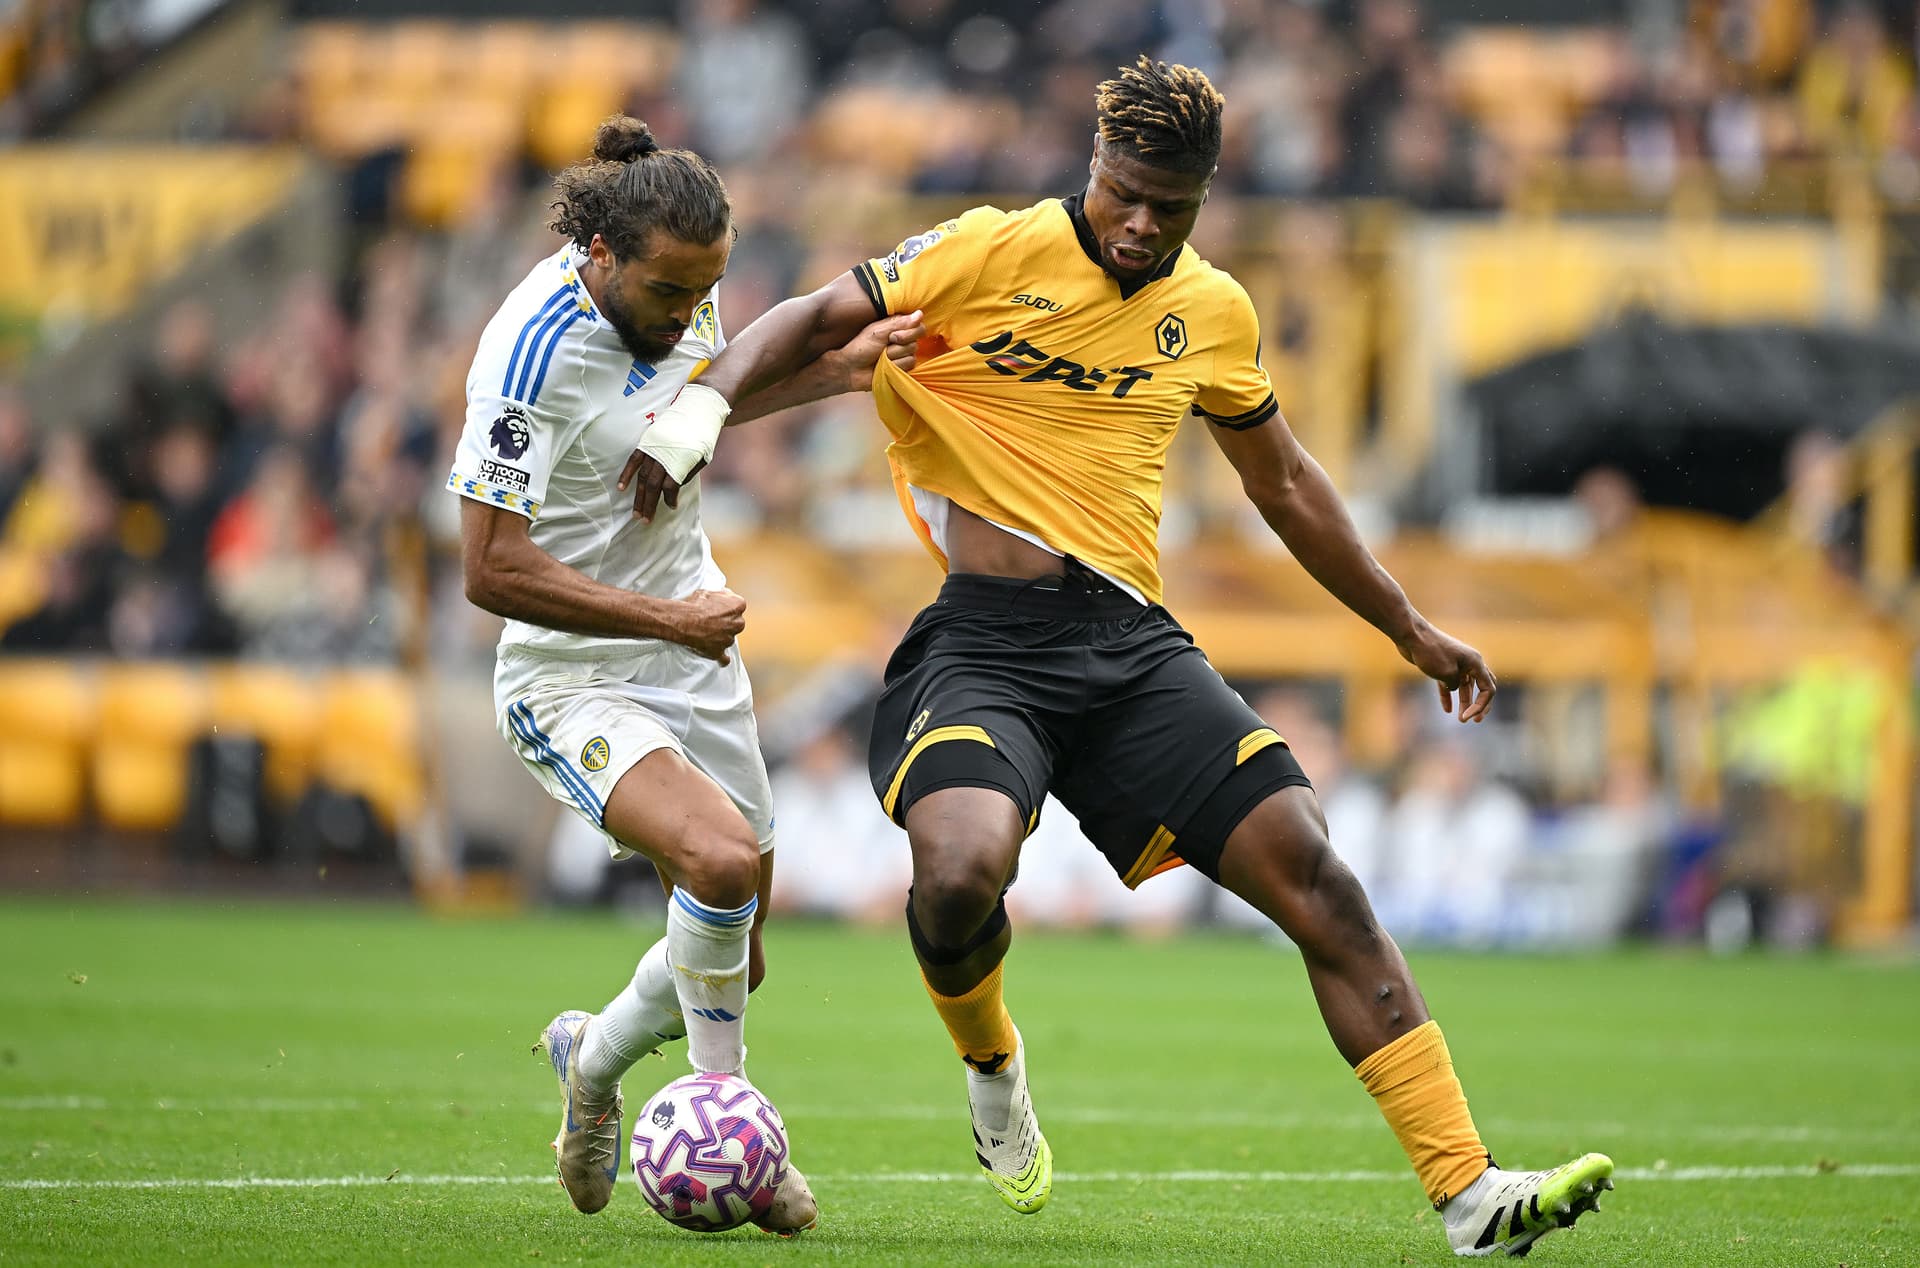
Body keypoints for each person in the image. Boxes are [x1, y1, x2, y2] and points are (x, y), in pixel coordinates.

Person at [625, 59, 1614, 1258]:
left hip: (1133, 648)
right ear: (1092, 169)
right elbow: (816, 319)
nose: (1143, 223)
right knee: (957, 874)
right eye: (1124, 193)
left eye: (1172, 205)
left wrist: (1409, 626)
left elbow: (1286, 483)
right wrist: (704, 409)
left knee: (1321, 880)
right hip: (984, 639)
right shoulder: (988, 250)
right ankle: (993, 1062)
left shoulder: (1217, 312)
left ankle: (1471, 1191)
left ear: (1204, 197)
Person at [450, 115, 919, 1232]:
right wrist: (663, 614)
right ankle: (733, 1120)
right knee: (714, 860)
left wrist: (833, 375)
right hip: (570, 667)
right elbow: (486, 567)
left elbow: (694, 393)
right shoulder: (528, 353)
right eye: (671, 293)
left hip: (688, 640)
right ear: (602, 256)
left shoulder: (679, 277)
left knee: (735, 949)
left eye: (706, 288)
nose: (688, 313)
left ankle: (593, 1061)